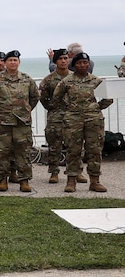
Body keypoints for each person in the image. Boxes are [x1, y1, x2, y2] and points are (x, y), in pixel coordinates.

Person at [53, 52, 114, 192]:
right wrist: (70, 109)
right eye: (79, 63)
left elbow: (108, 98)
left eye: (85, 63)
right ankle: (71, 181)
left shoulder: (96, 80)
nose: (82, 65)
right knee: (73, 150)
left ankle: (95, 181)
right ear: (74, 65)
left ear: (89, 64)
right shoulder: (66, 81)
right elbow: (56, 99)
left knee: (94, 150)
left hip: (94, 120)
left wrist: (96, 107)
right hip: (73, 121)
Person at [0, 51, 39, 192]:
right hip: (2, 123)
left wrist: (24, 110)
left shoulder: (27, 79)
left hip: (22, 124)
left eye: (15, 60)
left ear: (19, 62)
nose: (13, 63)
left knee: (23, 153)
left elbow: (34, 98)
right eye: (10, 60)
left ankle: (24, 181)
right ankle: (2, 180)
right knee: (2, 152)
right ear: (5, 62)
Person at [39, 49, 72, 183]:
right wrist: (53, 109)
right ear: (55, 61)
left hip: (73, 117)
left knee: (74, 146)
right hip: (55, 118)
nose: (63, 61)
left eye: (65, 58)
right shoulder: (48, 80)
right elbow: (42, 98)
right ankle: (54, 172)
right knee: (54, 147)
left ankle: (75, 171)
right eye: (60, 59)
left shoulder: (75, 78)